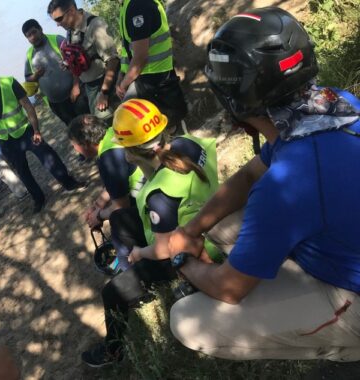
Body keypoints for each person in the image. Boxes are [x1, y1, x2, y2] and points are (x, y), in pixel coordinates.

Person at [167, 7, 360, 361]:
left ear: (233, 101)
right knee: (222, 225)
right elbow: (249, 174)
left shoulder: (285, 186)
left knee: (185, 319)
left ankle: (342, 341)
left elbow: (229, 289)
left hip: (353, 293)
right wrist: (193, 228)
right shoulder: (333, 104)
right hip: (341, 233)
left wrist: (182, 259)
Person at [79, 99, 220, 367]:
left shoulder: (160, 195)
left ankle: (113, 351)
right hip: (211, 220)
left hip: (193, 249)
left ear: (130, 153)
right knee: (121, 216)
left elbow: (166, 248)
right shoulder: (187, 144)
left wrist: (139, 252)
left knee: (112, 293)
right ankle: (140, 281)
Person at [0, 55, 85, 213]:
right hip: (5, 140)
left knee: (48, 157)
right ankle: (38, 199)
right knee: (22, 171)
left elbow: (28, 106)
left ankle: (69, 183)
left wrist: (36, 129)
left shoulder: (9, 82)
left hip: (26, 132)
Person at [67, 113, 145, 272]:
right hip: (148, 179)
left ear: (86, 143)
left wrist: (99, 216)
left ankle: (132, 271)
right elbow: (116, 182)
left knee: (118, 224)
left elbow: (121, 207)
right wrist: (98, 205)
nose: (75, 150)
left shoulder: (108, 158)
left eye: (74, 145)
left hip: (146, 196)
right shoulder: (111, 135)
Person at [114, 0, 188, 132]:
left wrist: (124, 83)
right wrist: (121, 75)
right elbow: (127, 49)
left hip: (156, 79)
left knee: (169, 127)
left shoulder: (137, 5)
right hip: (145, 77)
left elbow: (140, 57)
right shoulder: (126, 6)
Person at [47, 0, 119, 122]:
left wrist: (104, 93)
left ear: (71, 11)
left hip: (104, 82)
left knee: (105, 118)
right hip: (88, 85)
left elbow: (113, 60)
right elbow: (76, 56)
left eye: (59, 19)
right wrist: (69, 66)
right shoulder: (70, 30)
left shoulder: (95, 26)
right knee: (84, 114)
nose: (57, 25)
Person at [22, 19, 89, 126]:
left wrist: (76, 86)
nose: (32, 37)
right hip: (56, 103)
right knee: (74, 128)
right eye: (29, 35)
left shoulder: (57, 40)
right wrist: (36, 75)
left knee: (88, 122)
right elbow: (28, 78)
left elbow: (76, 60)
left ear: (40, 29)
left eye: (34, 32)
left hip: (76, 93)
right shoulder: (29, 55)